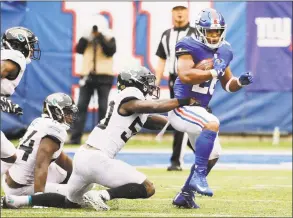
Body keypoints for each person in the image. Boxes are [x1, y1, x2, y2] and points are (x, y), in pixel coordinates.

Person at [1, 66, 197, 210]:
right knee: (148, 188)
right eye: (146, 82)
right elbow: (153, 107)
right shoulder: (130, 98)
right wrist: (184, 101)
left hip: (83, 157)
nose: (150, 87)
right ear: (135, 84)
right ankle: (102, 195)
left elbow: (156, 121)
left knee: (70, 202)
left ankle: (18, 201)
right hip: (97, 159)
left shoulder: (134, 106)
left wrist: (189, 121)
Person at [169, 8, 253, 208]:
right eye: (210, 31)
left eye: (217, 31)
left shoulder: (226, 50)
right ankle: (198, 176)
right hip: (182, 107)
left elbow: (227, 83)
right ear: (200, 31)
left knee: (214, 155)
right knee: (212, 122)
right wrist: (214, 71)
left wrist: (239, 82)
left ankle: (185, 195)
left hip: (199, 111)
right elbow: (185, 75)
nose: (214, 35)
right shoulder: (187, 44)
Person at [2, 93, 78, 197]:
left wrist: (80, 173)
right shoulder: (55, 129)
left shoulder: (39, 122)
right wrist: (39, 198)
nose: (70, 116)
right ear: (56, 111)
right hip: (21, 187)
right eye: (67, 112)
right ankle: (20, 199)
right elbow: (40, 165)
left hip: (12, 178)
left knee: (75, 178)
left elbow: (61, 158)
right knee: (76, 195)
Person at [155, 2, 195, 171]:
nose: (179, 13)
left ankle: (177, 160)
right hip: (174, 80)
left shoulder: (195, 34)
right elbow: (162, 59)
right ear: (172, 13)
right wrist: (156, 82)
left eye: (182, 10)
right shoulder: (166, 35)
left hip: (191, 80)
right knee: (180, 119)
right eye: (176, 10)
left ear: (187, 12)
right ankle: (203, 152)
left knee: (186, 118)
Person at [1, 26, 41, 177]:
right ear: (20, 43)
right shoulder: (15, 57)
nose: (32, 48)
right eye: (30, 44)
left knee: (10, 156)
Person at [69, 24, 117, 145]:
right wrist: (86, 37)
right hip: (87, 76)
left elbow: (110, 51)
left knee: (103, 107)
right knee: (81, 106)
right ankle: (75, 137)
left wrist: (100, 37)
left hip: (104, 77)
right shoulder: (86, 37)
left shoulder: (109, 37)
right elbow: (79, 49)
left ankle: (103, 138)